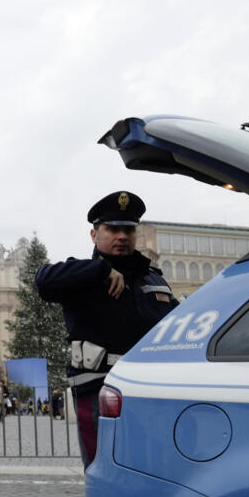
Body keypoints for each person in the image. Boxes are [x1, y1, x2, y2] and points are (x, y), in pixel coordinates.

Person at [36, 191, 177, 470]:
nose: (122, 236)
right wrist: (100, 269)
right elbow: (43, 280)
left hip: (149, 389)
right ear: (94, 235)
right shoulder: (83, 276)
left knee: (154, 469)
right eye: (112, 229)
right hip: (98, 388)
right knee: (104, 469)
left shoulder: (154, 278)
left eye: (128, 229)